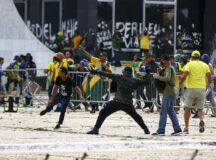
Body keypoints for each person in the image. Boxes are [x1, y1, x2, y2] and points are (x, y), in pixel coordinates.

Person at [86, 66, 150, 135]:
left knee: (103, 113)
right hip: (127, 103)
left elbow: (107, 74)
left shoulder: (119, 77)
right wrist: (147, 74)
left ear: (125, 72)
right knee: (136, 116)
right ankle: (146, 129)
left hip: (117, 102)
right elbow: (146, 82)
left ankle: (96, 129)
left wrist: (96, 72)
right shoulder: (135, 80)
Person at [179, 50, 212, 134]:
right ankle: (201, 120)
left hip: (191, 88)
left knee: (187, 108)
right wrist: (207, 85)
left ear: (192, 56)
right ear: (199, 57)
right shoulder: (205, 65)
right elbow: (210, 78)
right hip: (201, 88)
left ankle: (186, 128)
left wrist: (180, 82)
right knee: (200, 109)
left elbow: (184, 75)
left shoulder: (189, 64)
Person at [152, 55, 182, 136]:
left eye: (164, 61)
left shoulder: (169, 68)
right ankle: (177, 129)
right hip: (170, 92)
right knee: (170, 111)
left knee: (163, 111)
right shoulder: (168, 68)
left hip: (168, 92)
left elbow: (167, 78)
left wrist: (158, 77)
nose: (163, 62)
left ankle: (161, 130)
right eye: (162, 61)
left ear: (168, 61)